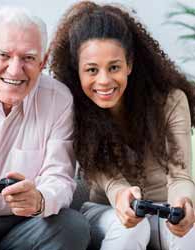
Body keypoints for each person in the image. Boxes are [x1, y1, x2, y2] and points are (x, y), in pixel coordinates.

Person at [49, 1, 195, 250]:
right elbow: (108, 179)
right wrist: (121, 196)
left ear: (130, 64)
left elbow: (180, 172)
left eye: (114, 67)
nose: (104, 81)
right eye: (92, 70)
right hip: (104, 210)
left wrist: (183, 205)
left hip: (162, 208)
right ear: (78, 72)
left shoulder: (170, 100)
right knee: (132, 229)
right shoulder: (73, 108)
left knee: (187, 234)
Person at [0, 6, 90, 250]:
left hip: (25, 226)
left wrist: (39, 199)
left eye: (28, 58)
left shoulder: (58, 99)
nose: (15, 69)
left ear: (43, 61)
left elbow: (60, 178)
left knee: (72, 227)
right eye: (3, 55)